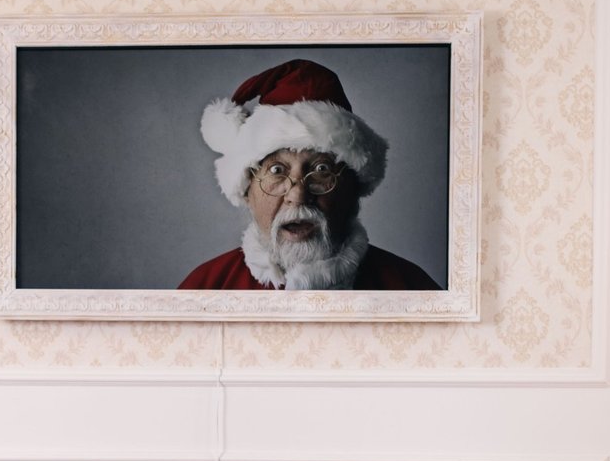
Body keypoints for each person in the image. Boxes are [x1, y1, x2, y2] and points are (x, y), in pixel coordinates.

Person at [179, 59, 439, 291]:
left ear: (353, 190)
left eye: (321, 170)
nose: (298, 195)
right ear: (248, 189)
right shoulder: (205, 289)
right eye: (277, 170)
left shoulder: (411, 289)